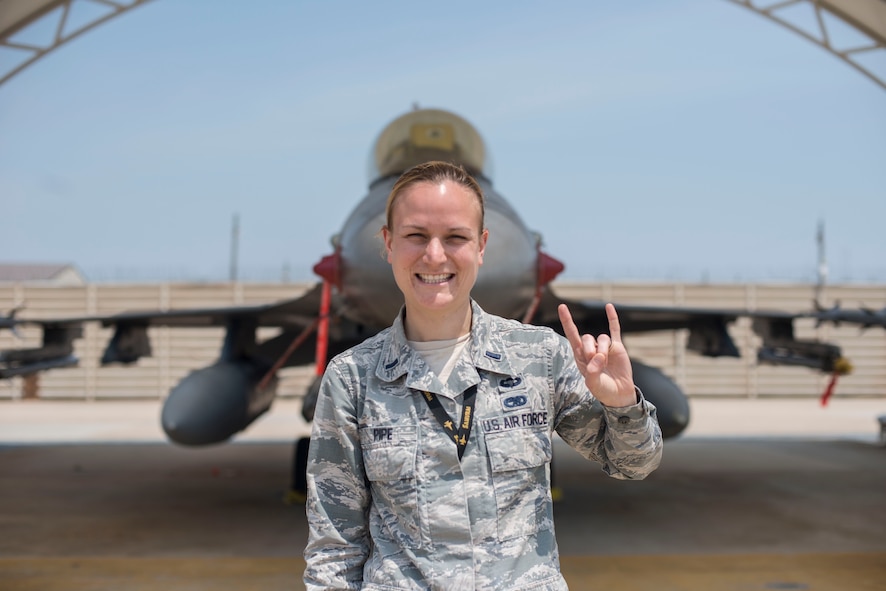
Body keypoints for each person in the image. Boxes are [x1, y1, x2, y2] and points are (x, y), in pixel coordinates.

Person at [303, 161, 663, 590]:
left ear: (481, 246)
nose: (434, 255)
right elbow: (334, 546)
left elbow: (633, 465)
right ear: (389, 244)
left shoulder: (540, 357)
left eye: (455, 237)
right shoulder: (352, 379)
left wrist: (621, 404)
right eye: (416, 235)